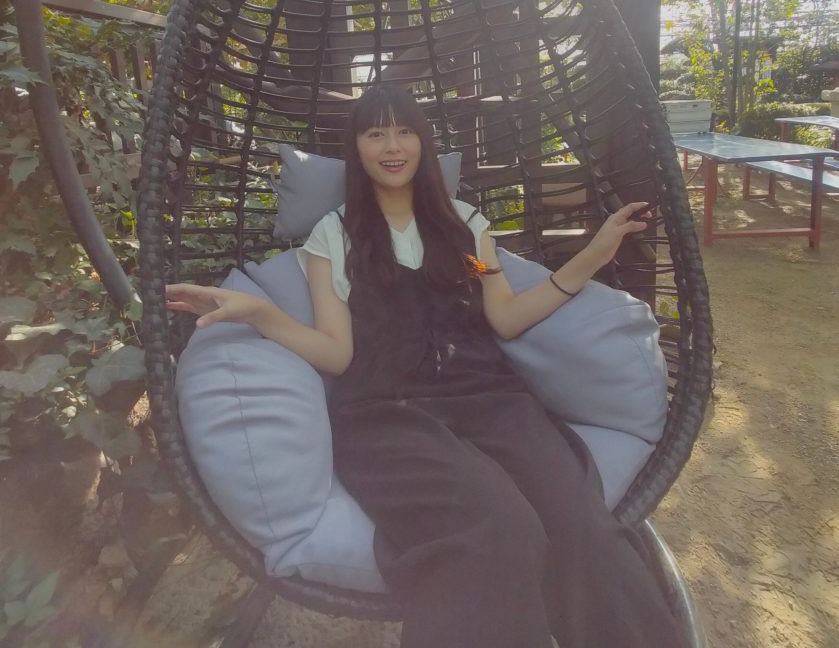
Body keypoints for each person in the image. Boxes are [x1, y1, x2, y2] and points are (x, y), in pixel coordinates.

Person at [167, 84, 689, 648]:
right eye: (376, 133)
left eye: (405, 131)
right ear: (357, 148)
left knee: (580, 523)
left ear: (423, 142)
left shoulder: (466, 227)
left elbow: (505, 316)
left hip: (491, 400)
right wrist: (261, 314)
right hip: (388, 413)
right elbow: (337, 353)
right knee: (497, 528)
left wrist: (594, 254)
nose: (392, 146)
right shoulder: (333, 237)